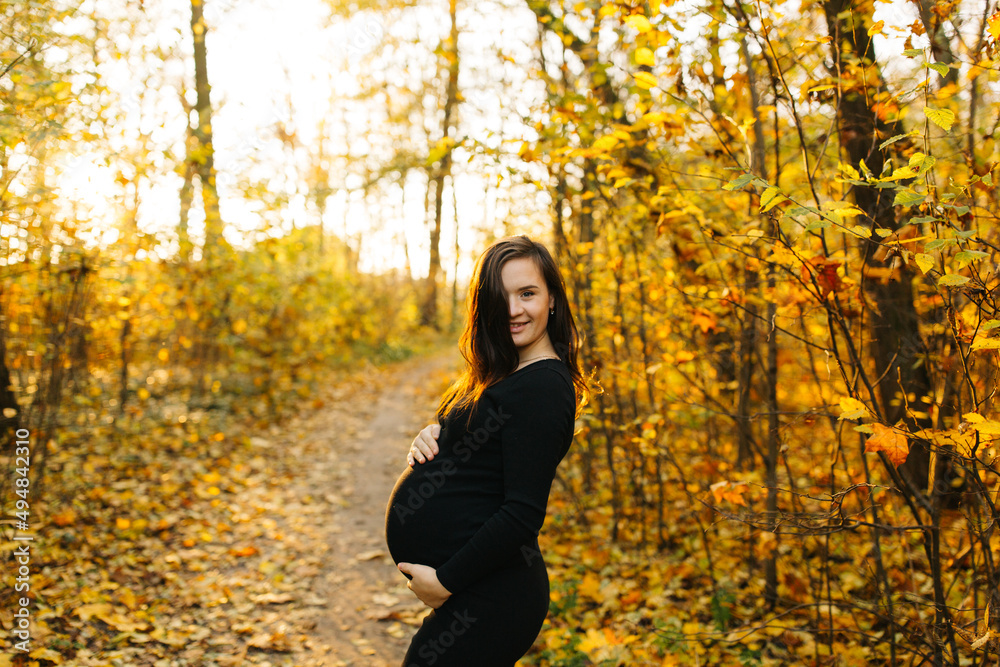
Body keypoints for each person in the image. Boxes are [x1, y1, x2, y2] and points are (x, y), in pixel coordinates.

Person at [384, 235, 590, 667]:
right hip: (480, 589)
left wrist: (446, 581)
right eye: (501, 296)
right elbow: (481, 457)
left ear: (552, 298)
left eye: (527, 293)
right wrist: (433, 436)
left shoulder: (545, 386)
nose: (513, 310)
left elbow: (523, 512)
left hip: (495, 596)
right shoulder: (507, 372)